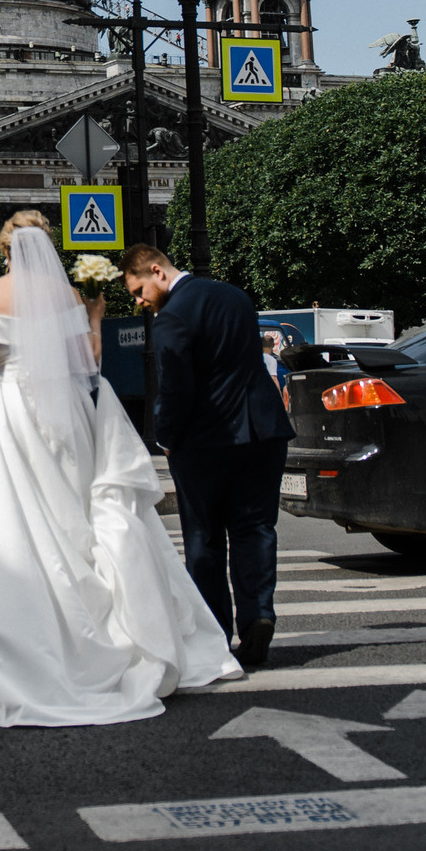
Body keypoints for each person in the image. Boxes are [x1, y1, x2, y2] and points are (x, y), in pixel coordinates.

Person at [0, 213, 241, 726]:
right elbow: (88, 362)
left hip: (5, 411)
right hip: (66, 418)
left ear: (5, 251)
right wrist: (95, 314)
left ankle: (5, 635)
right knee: (74, 516)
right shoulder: (69, 297)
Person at [125, 244, 292, 668]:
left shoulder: (172, 319)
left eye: (139, 290)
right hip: (263, 431)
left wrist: (166, 435)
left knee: (205, 538)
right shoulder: (235, 296)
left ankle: (216, 633)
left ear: (158, 271)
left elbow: (177, 390)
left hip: (205, 440)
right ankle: (257, 617)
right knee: (256, 527)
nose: (141, 302)